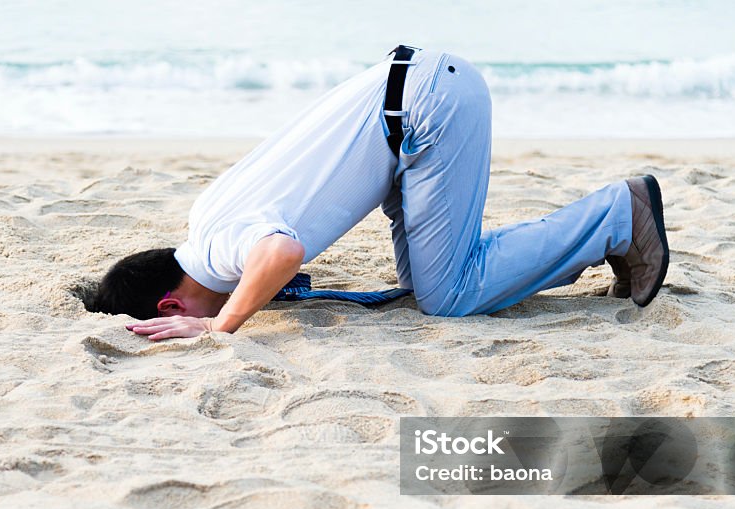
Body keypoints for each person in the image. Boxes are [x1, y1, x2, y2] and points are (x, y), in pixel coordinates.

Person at [90, 45, 669, 341]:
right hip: (409, 104)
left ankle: (618, 215)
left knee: (449, 295)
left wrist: (218, 327)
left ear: (170, 306)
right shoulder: (204, 219)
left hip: (423, 110)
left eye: (169, 325)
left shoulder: (219, 254)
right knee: (427, 285)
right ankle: (598, 234)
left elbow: (282, 254)